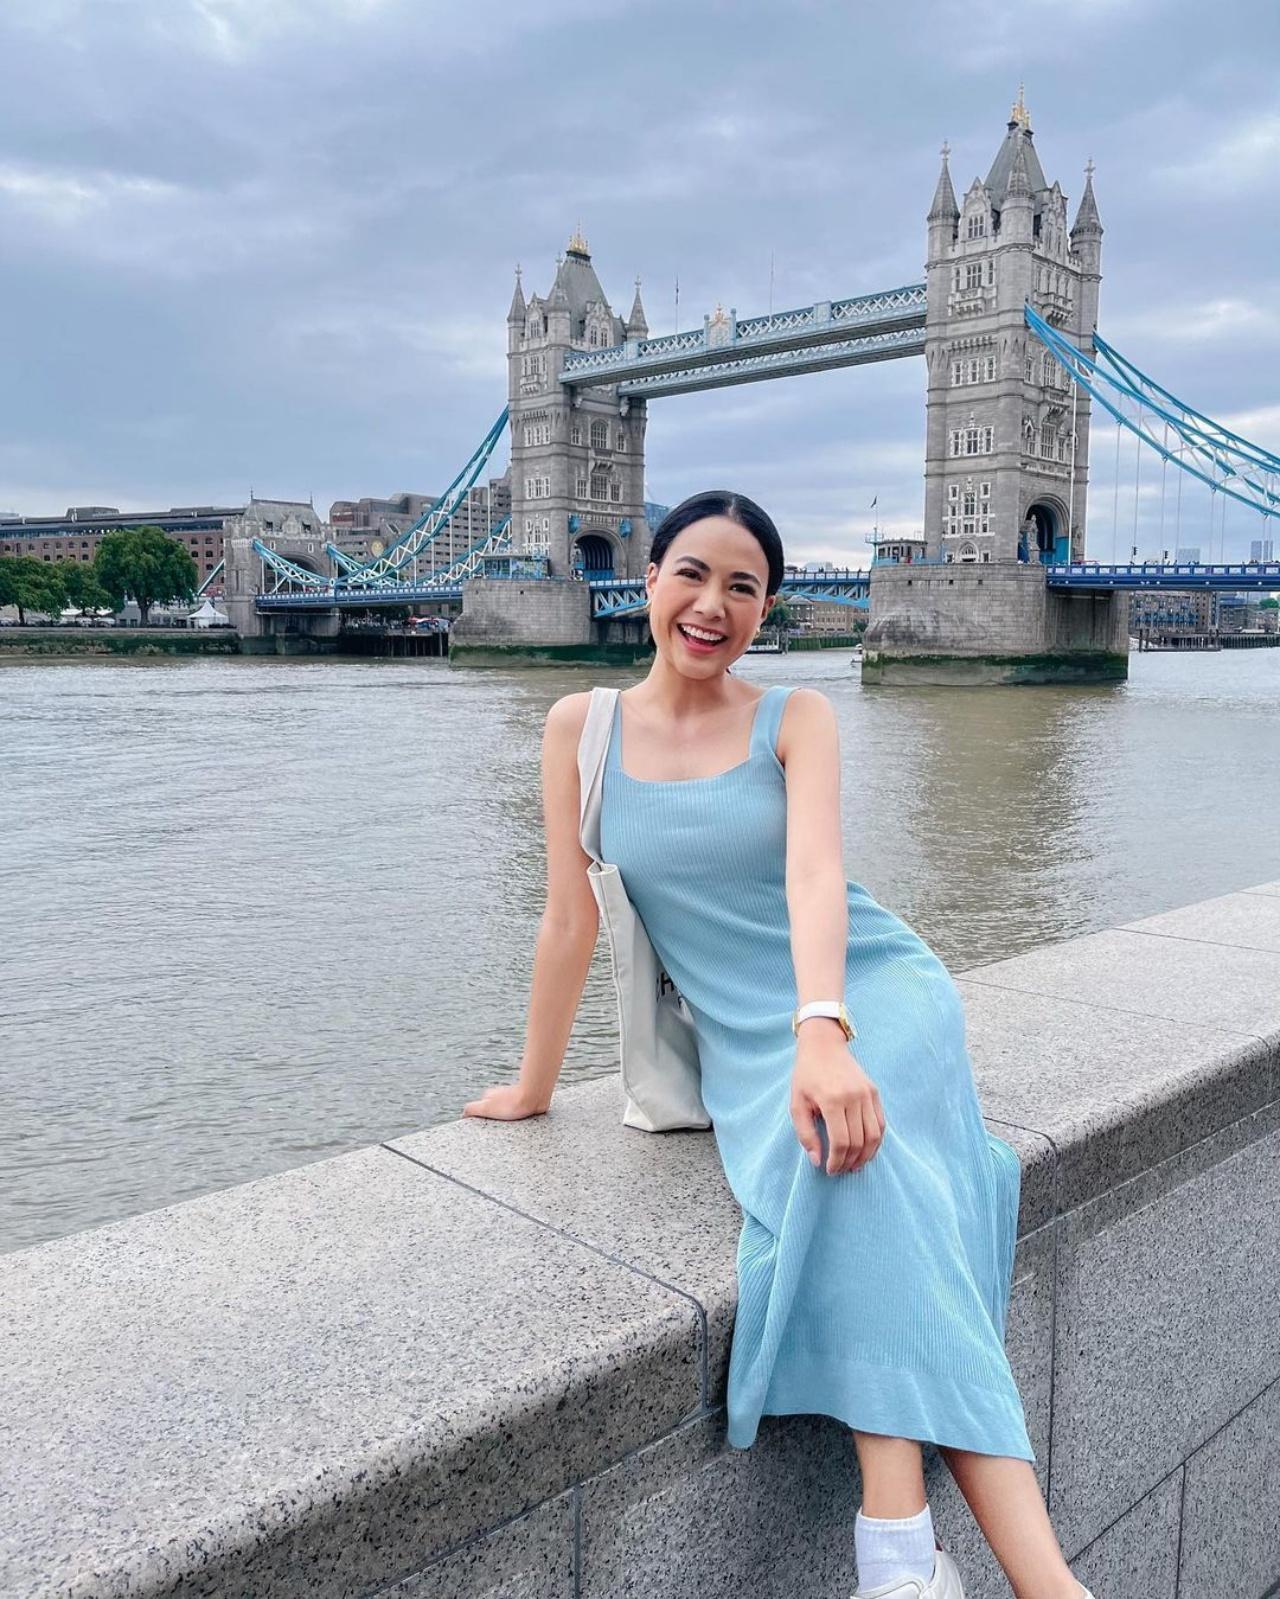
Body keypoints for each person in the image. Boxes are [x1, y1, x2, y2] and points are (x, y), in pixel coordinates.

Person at [464, 490, 1095, 1599]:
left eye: (743, 586)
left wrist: (825, 1028)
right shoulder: (580, 729)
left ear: (767, 608)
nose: (712, 604)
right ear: (647, 580)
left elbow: (814, 878)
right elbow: (567, 921)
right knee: (849, 1165)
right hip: (744, 1038)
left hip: (867, 992)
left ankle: (925, 1556)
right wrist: (533, 1084)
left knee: (850, 1154)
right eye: (691, 574)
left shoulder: (795, 717)